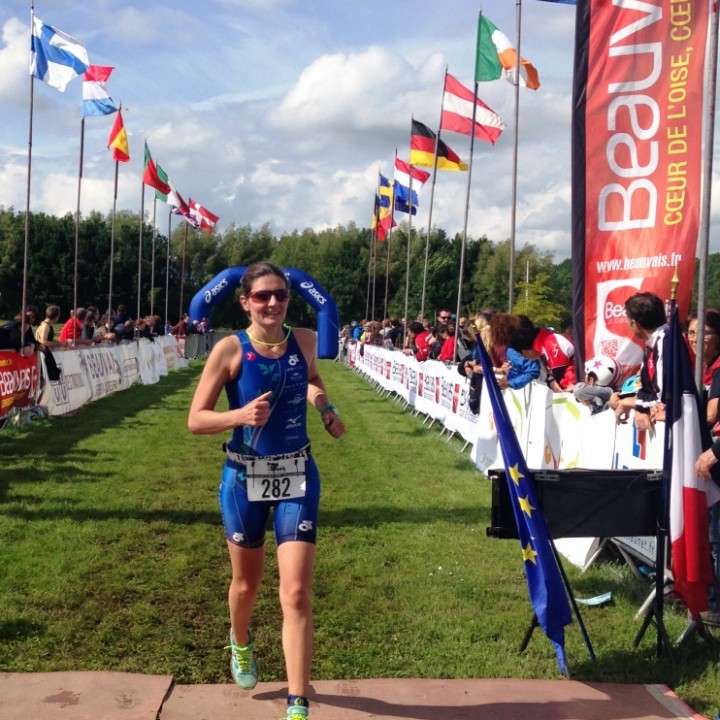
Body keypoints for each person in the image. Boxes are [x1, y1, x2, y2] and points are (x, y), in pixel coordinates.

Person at [187, 262, 345, 720]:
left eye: (279, 295)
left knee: (295, 592)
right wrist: (238, 417)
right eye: (262, 296)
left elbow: (313, 380)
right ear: (245, 302)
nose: (272, 303)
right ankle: (240, 641)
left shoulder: (306, 342)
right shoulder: (228, 350)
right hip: (243, 477)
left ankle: (298, 702)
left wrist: (326, 407)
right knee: (246, 584)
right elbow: (196, 419)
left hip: (297, 472)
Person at [608, 292, 668, 431]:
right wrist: (623, 397)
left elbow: (662, 399)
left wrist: (629, 403)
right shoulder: (655, 342)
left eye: (627, 320)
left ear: (634, 323)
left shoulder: (665, 342)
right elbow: (649, 390)